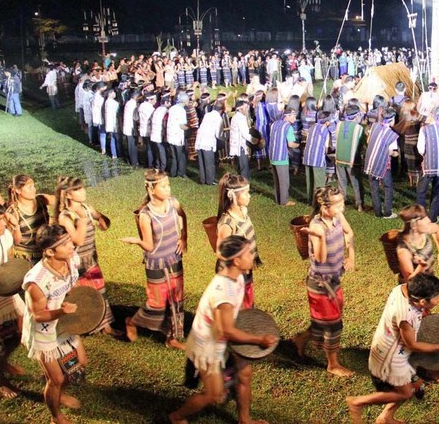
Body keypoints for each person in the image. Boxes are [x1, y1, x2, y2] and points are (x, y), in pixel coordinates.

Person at [168, 236, 275, 424]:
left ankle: (245, 420)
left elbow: (237, 314)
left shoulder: (238, 277)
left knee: (245, 374)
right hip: (207, 346)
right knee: (213, 394)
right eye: (248, 253)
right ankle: (176, 416)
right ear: (236, 260)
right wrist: (259, 339)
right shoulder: (223, 292)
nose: (252, 256)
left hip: (224, 339)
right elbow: (227, 331)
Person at [346, 273, 439, 424]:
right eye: (436, 296)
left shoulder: (402, 289)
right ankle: (358, 402)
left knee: (415, 384)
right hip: (390, 358)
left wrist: (423, 310)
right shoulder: (406, 316)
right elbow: (412, 345)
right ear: (422, 301)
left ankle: (385, 417)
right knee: (405, 393)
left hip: (389, 347)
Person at [22, 225, 87, 424]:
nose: (71, 246)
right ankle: (56, 417)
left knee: (79, 364)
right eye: (65, 244)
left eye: (69, 241)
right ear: (49, 251)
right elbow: (39, 315)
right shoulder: (37, 281)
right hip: (45, 331)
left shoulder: (72, 260)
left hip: (66, 325)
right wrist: (61, 311)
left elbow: (71, 286)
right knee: (56, 378)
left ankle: (59, 393)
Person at [292, 186, 356, 377]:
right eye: (338, 205)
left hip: (335, 278)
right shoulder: (317, 226)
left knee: (326, 320)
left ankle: (300, 339)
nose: (342, 208)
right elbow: (320, 258)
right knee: (333, 324)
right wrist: (319, 236)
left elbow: (349, 233)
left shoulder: (337, 217)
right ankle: (333, 364)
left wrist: (351, 256)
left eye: (342, 202)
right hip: (321, 284)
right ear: (325, 207)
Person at [121, 169, 187, 350]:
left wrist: (184, 238)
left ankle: (172, 338)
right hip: (156, 262)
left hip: (174, 257)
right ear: (151, 189)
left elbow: (183, 216)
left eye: (168, 185)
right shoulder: (146, 215)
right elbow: (149, 246)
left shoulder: (173, 203)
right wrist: (136, 241)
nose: (168, 189)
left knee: (177, 298)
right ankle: (132, 322)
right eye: (164, 186)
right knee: (156, 303)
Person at [55, 176, 119, 337]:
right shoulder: (65, 216)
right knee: (82, 295)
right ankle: (84, 326)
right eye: (77, 189)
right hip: (75, 262)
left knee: (100, 290)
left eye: (82, 187)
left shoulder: (86, 208)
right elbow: (77, 239)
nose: (83, 191)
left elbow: (103, 220)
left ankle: (106, 326)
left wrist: (103, 221)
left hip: (91, 257)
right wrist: (83, 221)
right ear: (68, 195)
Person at [216, 173, 260, 309]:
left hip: (245, 268)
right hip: (234, 274)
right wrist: (238, 266)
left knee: (247, 304)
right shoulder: (228, 223)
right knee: (238, 308)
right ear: (233, 196)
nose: (249, 196)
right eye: (246, 193)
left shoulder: (243, 211)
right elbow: (220, 253)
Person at [0, 203, 25, 399]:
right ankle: (2, 382)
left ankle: (4, 359)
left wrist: (15, 227)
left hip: (4, 289)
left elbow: (14, 244)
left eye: (2, 218)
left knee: (21, 322)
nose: (3, 223)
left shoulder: (4, 234)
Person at [6, 175, 55, 265]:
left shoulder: (41, 199)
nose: (34, 189)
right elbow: (16, 241)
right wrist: (16, 227)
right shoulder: (13, 212)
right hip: (27, 258)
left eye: (34, 186)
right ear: (18, 190)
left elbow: (59, 200)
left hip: (45, 250)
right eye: (30, 187)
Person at [395, 204, 439, 284]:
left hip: (429, 280)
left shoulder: (423, 231)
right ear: (413, 225)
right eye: (423, 218)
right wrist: (421, 266)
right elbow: (409, 280)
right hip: (415, 289)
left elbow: (437, 229)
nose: (429, 220)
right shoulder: (404, 249)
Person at [416, 107, 439, 222]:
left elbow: (421, 149)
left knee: (421, 191)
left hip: (428, 166)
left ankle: (420, 216)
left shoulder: (424, 130)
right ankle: (432, 217)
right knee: (437, 192)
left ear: (431, 115)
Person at [364, 108, 400, 219]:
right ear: (392, 119)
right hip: (382, 164)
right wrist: (396, 154)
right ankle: (387, 212)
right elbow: (391, 151)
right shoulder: (391, 134)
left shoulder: (374, 126)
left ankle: (377, 212)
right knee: (388, 187)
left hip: (370, 162)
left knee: (374, 187)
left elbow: (368, 141)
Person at [334, 105, 366, 212]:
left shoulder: (339, 125)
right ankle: (359, 204)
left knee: (341, 181)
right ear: (356, 115)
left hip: (339, 157)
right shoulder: (359, 128)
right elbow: (361, 145)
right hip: (352, 159)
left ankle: (341, 202)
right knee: (356, 182)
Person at [267, 108, 299, 206]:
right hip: (281, 157)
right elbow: (290, 144)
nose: (295, 118)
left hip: (272, 155)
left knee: (277, 180)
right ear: (287, 116)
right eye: (293, 116)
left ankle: (278, 199)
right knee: (284, 181)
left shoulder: (274, 124)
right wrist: (299, 145)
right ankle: (284, 202)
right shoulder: (288, 127)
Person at [303, 111, 332, 204]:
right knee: (319, 182)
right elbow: (326, 149)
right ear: (327, 122)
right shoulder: (326, 131)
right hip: (318, 159)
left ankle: (309, 200)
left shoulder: (312, 127)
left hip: (307, 157)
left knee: (309, 181)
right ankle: (318, 202)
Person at [195, 101, 223, 185]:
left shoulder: (207, 115)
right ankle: (210, 180)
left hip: (200, 140)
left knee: (202, 161)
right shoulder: (218, 118)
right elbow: (218, 133)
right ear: (221, 110)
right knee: (209, 162)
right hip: (208, 141)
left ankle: (203, 179)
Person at [229, 100, 254, 181]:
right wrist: (254, 140)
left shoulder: (235, 116)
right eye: (245, 108)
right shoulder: (241, 118)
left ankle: (239, 183)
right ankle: (244, 185)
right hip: (240, 145)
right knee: (244, 167)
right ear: (240, 109)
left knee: (240, 166)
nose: (247, 109)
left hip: (236, 144)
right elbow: (245, 134)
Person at [167, 92, 189, 178]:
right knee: (181, 155)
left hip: (170, 134)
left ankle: (173, 172)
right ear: (184, 101)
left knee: (174, 155)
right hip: (177, 135)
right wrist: (189, 129)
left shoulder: (172, 108)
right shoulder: (182, 111)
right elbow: (182, 125)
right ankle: (181, 172)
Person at [122, 90, 140, 167]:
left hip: (128, 126)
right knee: (132, 145)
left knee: (131, 144)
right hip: (131, 126)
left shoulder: (129, 102)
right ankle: (134, 162)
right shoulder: (133, 104)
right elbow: (135, 117)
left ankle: (133, 160)